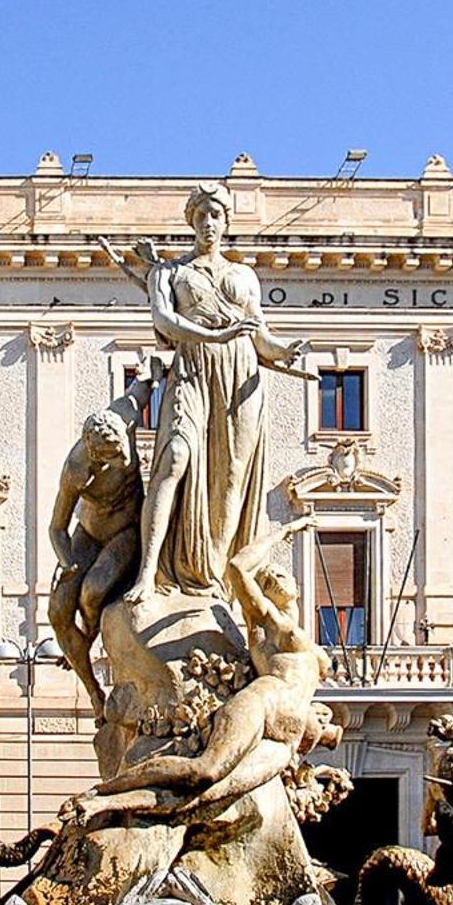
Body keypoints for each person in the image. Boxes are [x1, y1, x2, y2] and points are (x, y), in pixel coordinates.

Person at [63, 517, 340, 826]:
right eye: (268, 576)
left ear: (298, 587)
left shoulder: (299, 634)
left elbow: (311, 715)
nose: (275, 575)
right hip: (261, 706)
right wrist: (284, 532)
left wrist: (326, 734)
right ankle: (105, 793)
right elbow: (237, 568)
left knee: (209, 797)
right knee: (205, 771)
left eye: (279, 572)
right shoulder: (268, 622)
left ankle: (113, 803)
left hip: (283, 740)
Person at [115, 183, 306, 604]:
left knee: (232, 479)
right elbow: (166, 323)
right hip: (194, 370)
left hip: (240, 380)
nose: (208, 223)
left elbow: (260, 337)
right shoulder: (169, 273)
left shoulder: (243, 276)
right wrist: (215, 335)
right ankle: (148, 574)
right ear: (191, 221)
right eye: (200, 215)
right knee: (174, 459)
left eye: (216, 215)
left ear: (226, 221)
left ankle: (215, 581)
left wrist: (286, 351)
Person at [47, 368, 154, 716]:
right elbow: (56, 528)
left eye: (124, 449)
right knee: (59, 610)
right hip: (88, 534)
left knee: (92, 593)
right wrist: (66, 563)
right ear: (95, 456)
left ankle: (90, 634)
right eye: (114, 457)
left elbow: (144, 384)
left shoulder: (124, 413)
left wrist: (153, 371)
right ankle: (93, 691)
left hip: (127, 531)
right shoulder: (77, 470)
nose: (125, 460)